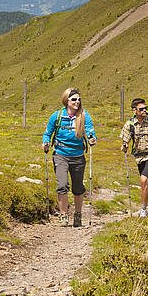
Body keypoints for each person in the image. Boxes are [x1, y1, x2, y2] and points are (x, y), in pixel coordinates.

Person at [42, 88, 96, 227]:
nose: (77, 102)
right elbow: (48, 132)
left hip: (78, 156)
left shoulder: (84, 115)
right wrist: (46, 142)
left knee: (78, 188)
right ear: (66, 100)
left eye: (79, 99)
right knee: (62, 185)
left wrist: (92, 138)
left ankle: (77, 215)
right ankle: (63, 215)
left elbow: (90, 130)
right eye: (74, 99)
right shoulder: (57, 116)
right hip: (60, 154)